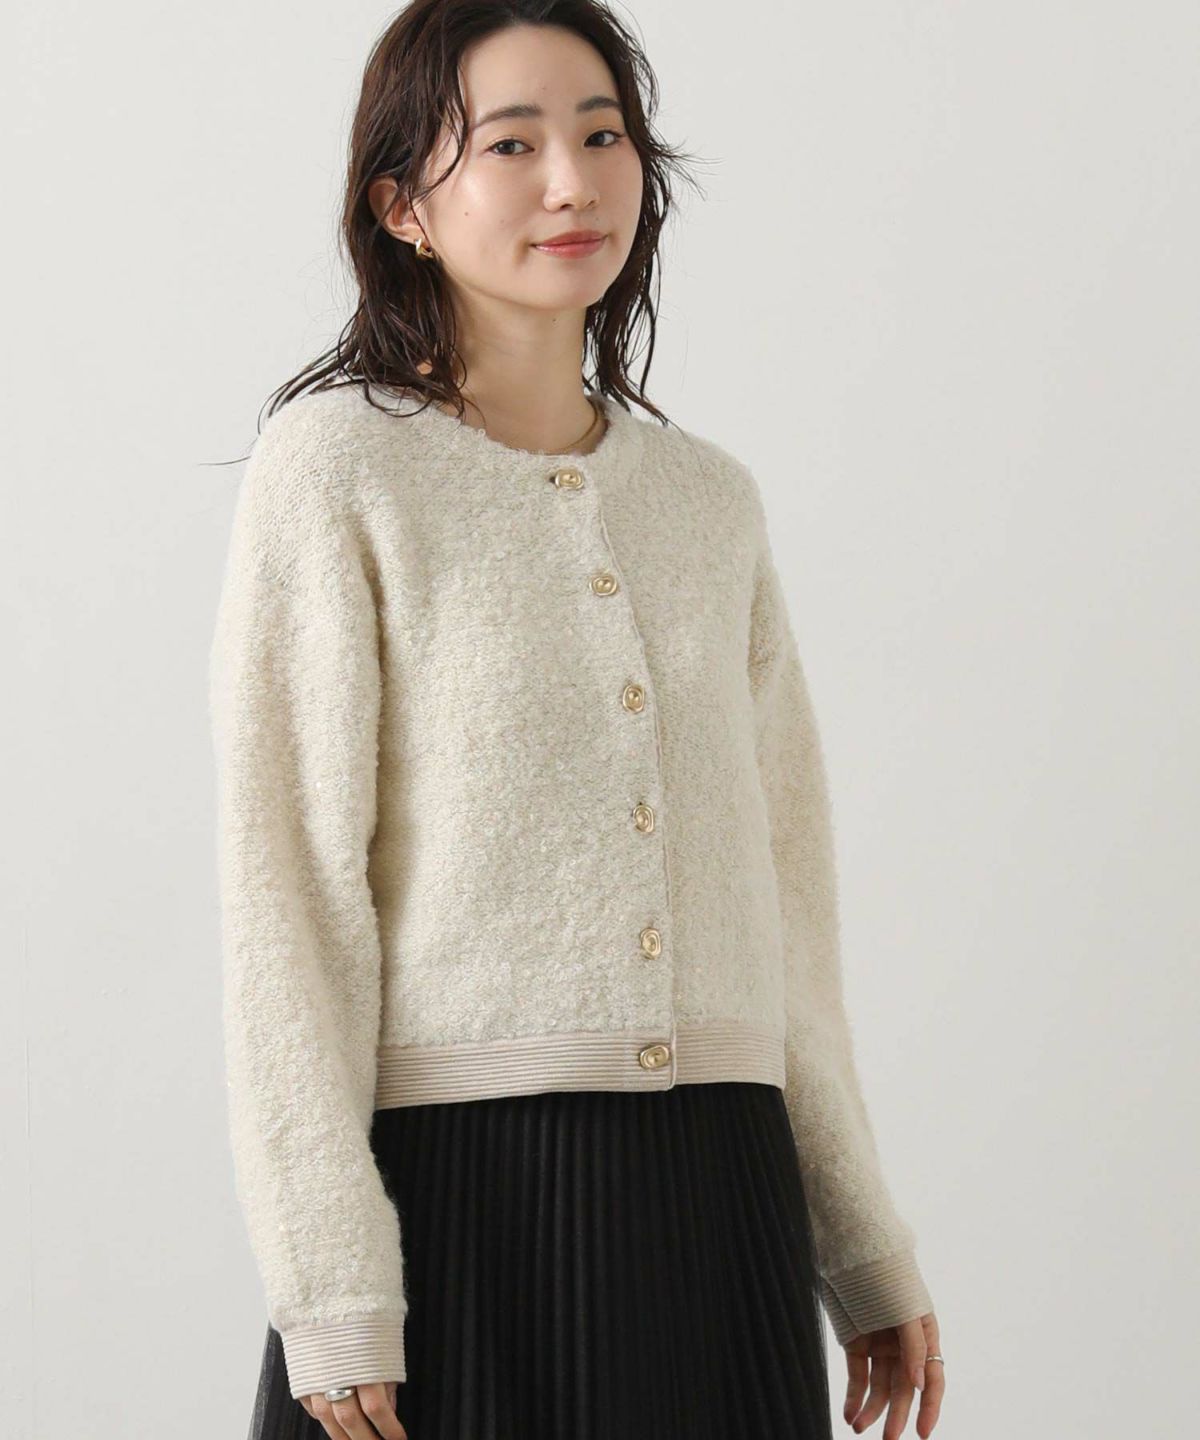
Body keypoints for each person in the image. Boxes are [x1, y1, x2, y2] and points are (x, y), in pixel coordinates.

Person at [209, 3, 946, 1438]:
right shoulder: (335, 474)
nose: (574, 180)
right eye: (512, 144)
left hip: (723, 1207)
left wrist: (860, 1236)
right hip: (459, 1211)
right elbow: (288, 903)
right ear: (402, 205)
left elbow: (787, 909)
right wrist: (328, 1277)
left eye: (604, 135)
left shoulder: (708, 503)